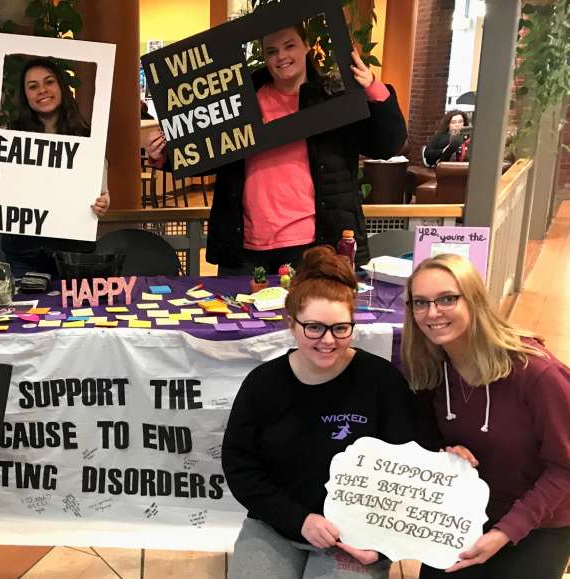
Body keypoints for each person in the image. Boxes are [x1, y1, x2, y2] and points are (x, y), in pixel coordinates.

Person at [222, 246, 438, 579]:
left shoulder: (380, 381)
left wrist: (381, 544)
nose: (328, 341)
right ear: (291, 324)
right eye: (314, 328)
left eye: (340, 328)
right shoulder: (263, 384)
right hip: (277, 525)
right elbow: (240, 467)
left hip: (356, 532)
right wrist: (300, 520)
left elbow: (412, 465)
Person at [145, 23, 407, 274]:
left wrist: (374, 89)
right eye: (271, 51)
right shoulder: (238, 100)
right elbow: (210, 154)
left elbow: (386, 145)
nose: (281, 56)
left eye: (289, 45)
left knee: (306, 319)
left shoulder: (334, 97)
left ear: (306, 46)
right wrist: (166, 157)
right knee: (239, 320)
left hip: (313, 245)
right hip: (244, 248)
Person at [403, 254, 570, 578]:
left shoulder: (536, 372)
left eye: (447, 299)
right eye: (420, 303)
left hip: (540, 520)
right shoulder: (431, 369)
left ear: (475, 300)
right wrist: (442, 453)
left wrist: (505, 531)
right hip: (465, 511)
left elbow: (565, 466)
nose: (432, 313)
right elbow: (425, 437)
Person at [0, 58, 111, 278]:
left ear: (61, 86)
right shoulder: (8, 136)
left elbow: (101, 192)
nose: (42, 90)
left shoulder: (85, 136)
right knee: (27, 311)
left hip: (73, 254)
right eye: (33, 86)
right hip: (24, 254)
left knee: (75, 313)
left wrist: (103, 202)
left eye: (49, 82)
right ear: (25, 95)